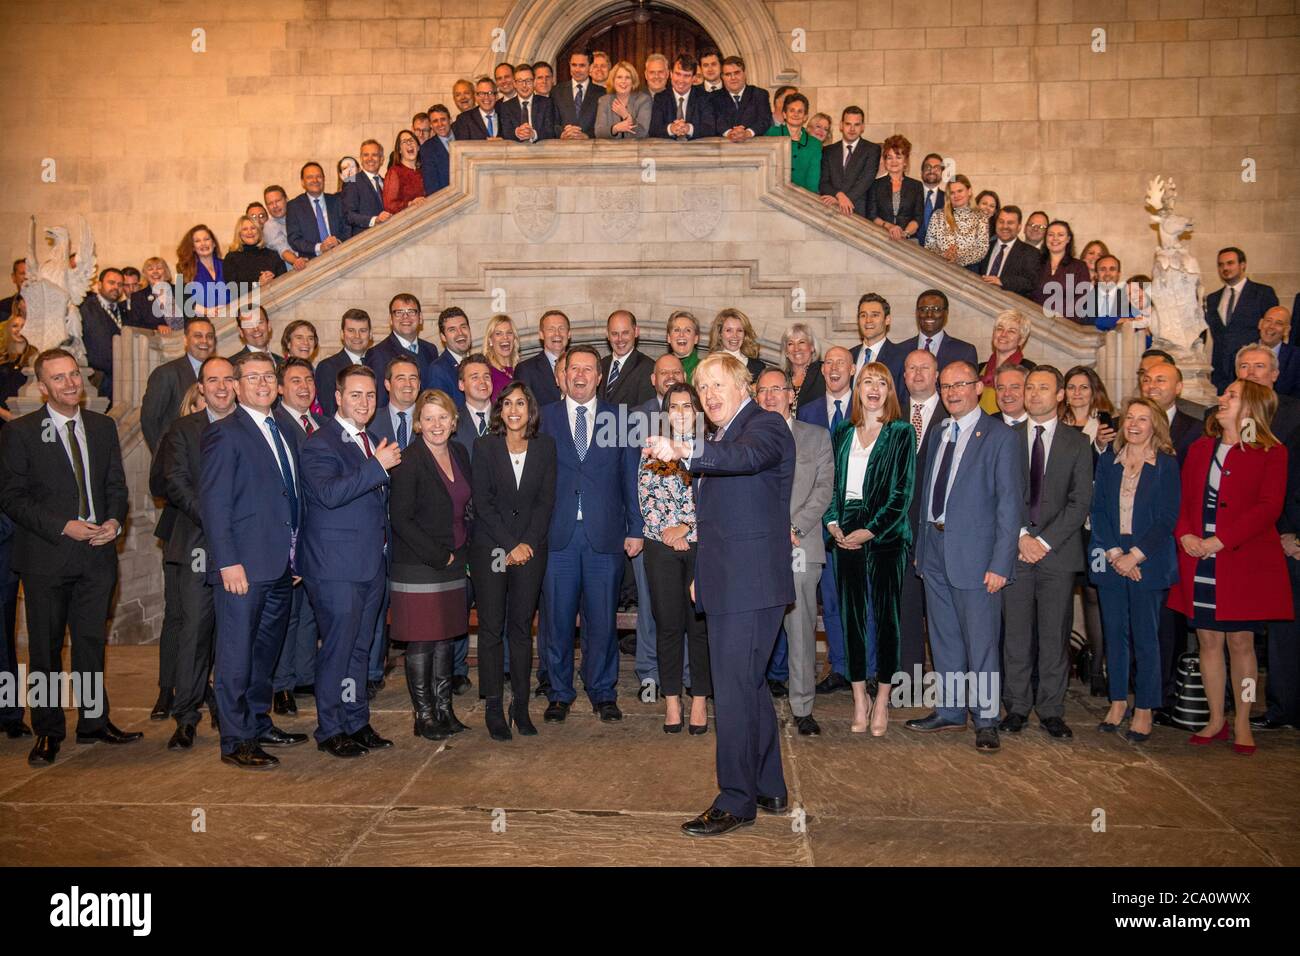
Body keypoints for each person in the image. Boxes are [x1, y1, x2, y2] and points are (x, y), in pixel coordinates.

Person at [644, 353, 794, 836]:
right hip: (729, 580)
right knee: (747, 685)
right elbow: (721, 517)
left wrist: (684, 450)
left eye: (716, 384)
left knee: (731, 690)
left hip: (752, 586)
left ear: (742, 383)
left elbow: (746, 461)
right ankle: (768, 784)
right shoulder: (722, 435)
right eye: (701, 387)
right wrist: (702, 572)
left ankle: (735, 800)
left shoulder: (764, 425)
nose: (708, 395)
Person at [0, 349, 138, 766]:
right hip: (47, 558)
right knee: (44, 650)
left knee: (92, 645)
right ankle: (47, 729)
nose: (70, 383)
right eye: (59, 378)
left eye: (74, 374)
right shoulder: (22, 432)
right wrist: (64, 525)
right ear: (43, 387)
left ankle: (94, 721)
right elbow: (11, 497)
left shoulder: (101, 427)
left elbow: (115, 484)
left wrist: (114, 521)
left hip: (97, 557)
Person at [907, 361, 1023, 752]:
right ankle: (951, 710)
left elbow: (1010, 507)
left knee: (981, 642)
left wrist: (1000, 564)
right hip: (935, 549)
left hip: (977, 557)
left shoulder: (999, 437)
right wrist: (922, 551)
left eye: (961, 384)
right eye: (946, 386)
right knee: (943, 638)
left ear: (978, 388)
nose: (952, 392)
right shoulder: (940, 432)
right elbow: (927, 496)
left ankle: (986, 718)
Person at [200, 351, 308, 769]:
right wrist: (228, 561)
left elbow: (289, 496)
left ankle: (259, 722)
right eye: (253, 377)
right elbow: (214, 503)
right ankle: (236, 739)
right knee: (236, 655)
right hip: (242, 569)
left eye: (269, 376)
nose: (263, 383)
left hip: (281, 566)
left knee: (265, 653)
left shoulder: (282, 428)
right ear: (237, 385)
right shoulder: (225, 433)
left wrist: (297, 556)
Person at [1172, 381, 1290, 755]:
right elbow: (1183, 499)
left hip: (1241, 560)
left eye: (1231, 396)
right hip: (1200, 557)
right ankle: (1215, 719)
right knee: (1207, 640)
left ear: (1251, 406)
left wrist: (1221, 540)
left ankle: (1242, 718)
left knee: (1241, 643)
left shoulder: (1271, 451)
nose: (1221, 400)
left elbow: (1269, 508)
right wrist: (1186, 535)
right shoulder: (1201, 447)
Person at [297, 364, 397, 757]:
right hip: (335, 567)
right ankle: (330, 728)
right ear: (337, 398)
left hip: (370, 564)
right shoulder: (320, 441)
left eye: (371, 395)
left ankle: (356, 720)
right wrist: (378, 467)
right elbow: (327, 493)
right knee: (338, 649)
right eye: (355, 394)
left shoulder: (372, 439)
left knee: (361, 648)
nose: (364, 402)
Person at [538, 345, 643, 723]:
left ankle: (602, 691)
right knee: (557, 620)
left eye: (588, 369)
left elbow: (630, 476)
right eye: (573, 369)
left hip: (606, 537)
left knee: (602, 621)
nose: (580, 375)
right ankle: (559, 692)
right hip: (557, 536)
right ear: (562, 375)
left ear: (600, 376)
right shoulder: (543, 418)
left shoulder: (621, 419)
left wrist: (636, 528)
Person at [1000, 366, 1093, 738]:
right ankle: (1017, 707)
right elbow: (1003, 495)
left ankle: (1052, 709)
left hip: (1058, 553)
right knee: (1016, 635)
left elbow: (1079, 500)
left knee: (1054, 636)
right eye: (1029, 387)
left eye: (1043, 388)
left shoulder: (1077, 442)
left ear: (1059, 395)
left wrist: (1044, 541)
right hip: (1016, 550)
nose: (1034, 393)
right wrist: (1022, 535)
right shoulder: (1006, 438)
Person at [825, 362, 915, 737]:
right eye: (867, 382)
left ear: (890, 391)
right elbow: (831, 485)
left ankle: (882, 699)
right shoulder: (844, 431)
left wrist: (869, 531)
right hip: (843, 533)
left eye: (881, 382)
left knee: (887, 620)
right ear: (857, 389)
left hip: (885, 537)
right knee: (853, 620)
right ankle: (859, 696)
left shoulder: (901, 432)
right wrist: (833, 524)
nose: (873, 388)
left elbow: (901, 494)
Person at [157, 356, 238, 749]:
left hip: (244, 547)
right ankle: (186, 715)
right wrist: (217, 520)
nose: (221, 386)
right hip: (198, 545)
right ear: (201, 387)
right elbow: (175, 482)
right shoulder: (183, 429)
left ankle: (230, 709)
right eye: (212, 380)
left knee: (235, 633)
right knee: (195, 631)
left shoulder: (251, 426)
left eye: (227, 379)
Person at [1089, 397, 1180, 743]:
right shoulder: (1109, 461)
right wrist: (1115, 554)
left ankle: (1144, 708)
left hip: (1149, 559)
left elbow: (1167, 517)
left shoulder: (1166, 464)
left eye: (1143, 419)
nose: (1134, 424)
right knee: (1114, 634)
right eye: (1130, 418)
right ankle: (1117, 702)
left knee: (1146, 637)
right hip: (1112, 556)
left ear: (1155, 424)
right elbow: (1097, 511)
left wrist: (1135, 557)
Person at [470, 381, 556, 740]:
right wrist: (509, 544)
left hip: (531, 549)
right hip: (492, 548)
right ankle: (493, 706)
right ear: (500, 411)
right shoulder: (484, 446)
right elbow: (482, 502)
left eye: (521, 403)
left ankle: (520, 705)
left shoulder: (545, 447)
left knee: (521, 628)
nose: (514, 410)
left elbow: (545, 501)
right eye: (507, 404)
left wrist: (526, 543)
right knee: (491, 627)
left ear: (530, 409)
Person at [386, 387, 470, 739]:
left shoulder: (461, 453)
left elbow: (468, 507)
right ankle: (423, 716)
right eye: (428, 418)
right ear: (418, 423)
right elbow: (400, 519)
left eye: (443, 417)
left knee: (445, 638)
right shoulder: (409, 460)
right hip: (419, 563)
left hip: (453, 561)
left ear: (453, 422)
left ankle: (444, 708)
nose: (436, 424)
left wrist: (461, 553)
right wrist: (440, 555)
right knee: (422, 640)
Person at [753, 369, 831, 735]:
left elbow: (823, 490)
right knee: (754, 629)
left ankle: (803, 708)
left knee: (800, 630)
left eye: (776, 390)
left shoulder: (816, 437)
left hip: (801, 544)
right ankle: (752, 703)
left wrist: (794, 528)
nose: (770, 396)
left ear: (790, 395)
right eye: (763, 391)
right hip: (756, 548)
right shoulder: (745, 437)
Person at [639, 381, 712, 734]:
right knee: (667, 625)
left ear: (698, 412)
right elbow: (647, 499)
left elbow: (717, 501)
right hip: (660, 546)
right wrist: (670, 533)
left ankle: (699, 700)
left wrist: (686, 527)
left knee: (699, 627)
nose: (681, 412)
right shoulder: (654, 448)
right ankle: (672, 700)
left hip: (702, 546)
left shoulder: (713, 447)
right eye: (675, 406)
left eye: (688, 406)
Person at [269, 359, 322, 717]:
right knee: (286, 616)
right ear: (280, 388)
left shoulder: (319, 423)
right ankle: (281, 685)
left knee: (309, 613)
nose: (303, 386)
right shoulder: (277, 425)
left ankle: (304, 674)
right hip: (290, 537)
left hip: (318, 537)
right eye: (295, 380)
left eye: (308, 379)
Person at [1204, 247, 1282, 391]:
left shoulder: (1262, 292)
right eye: (1220, 265)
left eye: (1230, 263)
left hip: (1252, 371)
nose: (1225, 268)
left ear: (1243, 265)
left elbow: (1273, 329)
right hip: (1221, 372)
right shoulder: (1212, 299)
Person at [140, 316, 216, 453]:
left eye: (209, 336)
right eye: (198, 336)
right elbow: (149, 420)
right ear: (185, 340)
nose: (205, 341)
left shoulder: (221, 374)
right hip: (177, 460)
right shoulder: (166, 374)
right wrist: (164, 457)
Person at [364, 293, 440, 407]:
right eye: (399, 312)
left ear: (420, 318)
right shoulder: (377, 354)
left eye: (411, 312)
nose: (406, 317)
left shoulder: (430, 349)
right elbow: (379, 403)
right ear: (390, 319)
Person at [818, 106, 879, 217]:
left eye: (856, 125)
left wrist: (842, 200)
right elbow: (823, 182)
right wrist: (839, 196)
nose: (852, 129)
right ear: (841, 126)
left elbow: (866, 180)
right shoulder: (828, 151)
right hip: (830, 211)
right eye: (848, 124)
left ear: (862, 127)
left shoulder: (872, 149)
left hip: (858, 211)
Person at [1139, 361, 1201, 463]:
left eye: (1160, 380)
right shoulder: (1121, 425)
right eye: (1146, 380)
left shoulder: (1196, 429)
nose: (1151, 386)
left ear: (1178, 388)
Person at [1031, 220, 1092, 323]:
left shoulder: (1079, 267)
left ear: (1068, 239)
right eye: (1050, 235)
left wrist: (1058, 316)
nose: (1055, 238)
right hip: (1036, 321)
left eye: (1060, 235)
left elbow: (1082, 298)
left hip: (1065, 326)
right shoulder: (1035, 263)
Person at [286, 161, 348, 260]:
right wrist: (320, 247)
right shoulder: (294, 206)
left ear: (324, 179)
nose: (315, 180)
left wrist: (338, 241)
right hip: (312, 263)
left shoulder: (337, 201)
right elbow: (294, 239)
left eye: (319, 176)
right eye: (309, 177)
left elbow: (347, 228)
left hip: (340, 257)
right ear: (302, 182)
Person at [866, 134, 923, 241]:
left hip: (908, 240)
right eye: (889, 157)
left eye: (898, 157)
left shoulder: (916, 186)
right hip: (882, 238)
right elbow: (872, 216)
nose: (894, 161)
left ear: (905, 161)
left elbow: (918, 218)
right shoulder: (875, 185)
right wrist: (889, 227)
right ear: (885, 161)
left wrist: (904, 233)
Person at [316, 309, 372, 418]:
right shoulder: (327, 367)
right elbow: (330, 412)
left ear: (370, 334)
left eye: (363, 330)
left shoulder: (378, 363)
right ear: (342, 334)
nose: (357, 336)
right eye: (351, 330)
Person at [924, 174, 988, 267]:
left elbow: (981, 249)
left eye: (960, 191)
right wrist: (944, 255)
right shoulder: (938, 215)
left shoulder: (981, 217)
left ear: (969, 191)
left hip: (968, 271)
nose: (956, 195)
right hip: (940, 267)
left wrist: (958, 258)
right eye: (952, 192)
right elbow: (929, 245)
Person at [977, 309, 1034, 414]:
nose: (1003, 334)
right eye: (999, 329)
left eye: (1011, 331)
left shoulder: (1029, 369)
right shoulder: (980, 368)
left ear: (1021, 340)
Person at [975, 205, 1040, 297]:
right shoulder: (984, 246)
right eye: (1001, 222)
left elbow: (1030, 282)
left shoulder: (1031, 253)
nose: (1005, 226)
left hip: (1008, 306)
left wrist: (1002, 281)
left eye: (1010, 223)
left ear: (1019, 227)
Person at [763, 93, 821, 193]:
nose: (796, 114)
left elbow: (813, 178)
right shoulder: (772, 134)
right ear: (784, 114)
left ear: (805, 116)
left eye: (800, 111)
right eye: (792, 110)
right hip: (774, 196)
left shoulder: (814, 144)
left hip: (803, 199)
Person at [649, 54, 716, 140]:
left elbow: (710, 128)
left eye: (686, 76)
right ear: (671, 74)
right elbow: (654, 130)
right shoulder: (660, 98)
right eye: (678, 74)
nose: (681, 80)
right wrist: (671, 129)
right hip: (668, 152)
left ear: (693, 78)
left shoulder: (705, 97)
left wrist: (688, 128)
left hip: (697, 151)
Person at [850, 292, 908, 388]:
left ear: (887, 320)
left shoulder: (901, 358)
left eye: (875, 315)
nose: (868, 320)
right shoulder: (850, 356)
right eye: (863, 315)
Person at [911, 289, 978, 372]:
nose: (929, 314)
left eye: (936, 309)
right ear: (917, 313)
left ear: (946, 313)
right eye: (923, 309)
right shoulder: (900, 351)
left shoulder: (965, 352)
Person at [600, 309, 655, 408]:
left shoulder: (648, 367)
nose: (620, 339)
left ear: (636, 332)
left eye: (625, 333)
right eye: (614, 333)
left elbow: (646, 413)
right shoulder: (600, 365)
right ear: (607, 334)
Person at [514, 309, 569, 407]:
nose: (557, 334)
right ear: (541, 335)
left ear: (569, 334)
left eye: (561, 328)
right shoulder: (525, 369)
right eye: (551, 329)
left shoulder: (581, 366)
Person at [1061, 365, 1118, 455]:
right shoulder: (1056, 422)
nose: (1077, 392)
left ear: (1094, 391)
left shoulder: (1107, 423)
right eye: (1071, 387)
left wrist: (1099, 445)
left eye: (1084, 387)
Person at [713, 55, 771, 142]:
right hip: (723, 150)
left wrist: (747, 133)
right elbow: (715, 121)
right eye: (728, 74)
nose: (733, 78)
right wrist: (730, 133)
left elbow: (764, 120)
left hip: (755, 149)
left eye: (737, 73)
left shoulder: (759, 94)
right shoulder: (714, 98)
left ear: (744, 73)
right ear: (722, 77)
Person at [175, 226, 229, 317]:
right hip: (201, 322)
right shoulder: (184, 270)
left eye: (206, 239)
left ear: (214, 243)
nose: (203, 244)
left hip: (230, 320)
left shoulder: (227, 265)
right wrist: (206, 311)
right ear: (192, 247)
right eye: (197, 241)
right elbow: (181, 300)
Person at [423, 306, 472, 405]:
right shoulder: (438, 370)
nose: (460, 333)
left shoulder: (477, 364)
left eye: (463, 327)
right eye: (452, 330)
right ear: (443, 337)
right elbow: (440, 412)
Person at [342, 139, 393, 234]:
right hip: (366, 242)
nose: (370, 159)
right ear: (361, 159)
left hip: (389, 236)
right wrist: (375, 220)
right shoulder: (351, 182)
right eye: (366, 155)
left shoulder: (387, 182)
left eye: (374, 155)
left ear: (381, 159)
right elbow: (349, 215)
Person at [222, 215, 286, 289]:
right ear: (239, 234)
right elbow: (232, 289)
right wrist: (258, 284)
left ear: (259, 231)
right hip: (247, 300)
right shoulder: (231, 258)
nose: (250, 232)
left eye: (253, 228)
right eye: (245, 229)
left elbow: (284, 282)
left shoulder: (273, 255)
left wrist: (273, 279)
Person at [499, 63, 556, 143]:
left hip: (541, 152)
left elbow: (550, 131)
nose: (524, 85)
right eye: (520, 81)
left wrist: (533, 134)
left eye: (528, 81)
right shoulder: (506, 106)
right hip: (515, 153)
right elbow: (505, 132)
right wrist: (517, 132)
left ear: (534, 82)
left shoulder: (546, 103)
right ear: (514, 84)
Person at [0, 301, 36, 424]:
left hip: (27, 417)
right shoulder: (2, 358)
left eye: (23, 326)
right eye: (15, 326)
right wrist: (5, 415)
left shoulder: (36, 359)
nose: (19, 330)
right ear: (8, 329)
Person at [595, 60, 651, 139]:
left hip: (637, 150)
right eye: (619, 77)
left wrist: (625, 115)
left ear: (633, 81)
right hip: (610, 150)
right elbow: (598, 132)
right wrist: (615, 128)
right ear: (613, 80)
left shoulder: (643, 100)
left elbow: (642, 133)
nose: (623, 81)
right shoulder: (604, 101)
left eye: (627, 77)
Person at [552, 50, 601, 139]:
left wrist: (587, 135)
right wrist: (562, 133)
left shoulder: (602, 93)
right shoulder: (556, 91)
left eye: (582, 65)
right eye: (574, 65)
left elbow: (604, 125)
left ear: (591, 67)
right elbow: (551, 122)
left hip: (591, 148)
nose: (577, 70)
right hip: (563, 148)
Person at [128, 257, 182, 334]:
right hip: (152, 341)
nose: (155, 272)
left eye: (159, 268)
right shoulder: (138, 297)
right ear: (145, 274)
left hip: (180, 339)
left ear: (166, 272)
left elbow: (190, 318)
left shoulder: (180, 290)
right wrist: (157, 327)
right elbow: (135, 324)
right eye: (150, 269)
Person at [708, 307, 766, 379]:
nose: (735, 336)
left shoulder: (758, 367)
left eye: (739, 330)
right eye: (729, 330)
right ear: (720, 334)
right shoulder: (709, 365)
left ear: (745, 334)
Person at [262, 186, 308, 272]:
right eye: (270, 203)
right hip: (294, 273)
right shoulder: (269, 226)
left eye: (278, 201)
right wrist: (296, 261)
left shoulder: (299, 216)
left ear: (286, 200)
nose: (275, 206)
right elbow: (283, 250)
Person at [382, 129, 428, 214]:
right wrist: (410, 204)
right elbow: (389, 205)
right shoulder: (394, 172)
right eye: (404, 142)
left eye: (411, 140)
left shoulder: (424, 170)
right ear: (399, 150)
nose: (409, 143)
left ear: (418, 147)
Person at [1257, 306, 1299, 397]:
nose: (1271, 326)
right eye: (1268, 320)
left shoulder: (1296, 358)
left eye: (1279, 323)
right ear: (1260, 324)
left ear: (1286, 330)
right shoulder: (1241, 354)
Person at [781, 321, 823, 409]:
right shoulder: (781, 378)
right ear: (786, 352)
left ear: (812, 347)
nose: (796, 348)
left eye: (801, 342)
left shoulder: (824, 372)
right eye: (790, 344)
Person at [482, 312, 519, 400]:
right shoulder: (487, 372)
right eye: (498, 333)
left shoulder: (521, 369)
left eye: (509, 333)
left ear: (514, 339)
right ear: (490, 340)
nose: (505, 337)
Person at [418, 107, 454, 194]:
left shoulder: (464, 137)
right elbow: (431, 186)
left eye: (443, 119)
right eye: (435, 121)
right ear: (431, 125)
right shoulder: (427, 149)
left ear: (450, 120)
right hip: (447, 201)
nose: (440, 124)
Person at [665, 309, 703, 379]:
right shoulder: (661, 368)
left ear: (696, 339)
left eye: (687, 330)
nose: (681, 334)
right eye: (677, 330)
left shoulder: (705, 369)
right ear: (669, 338)